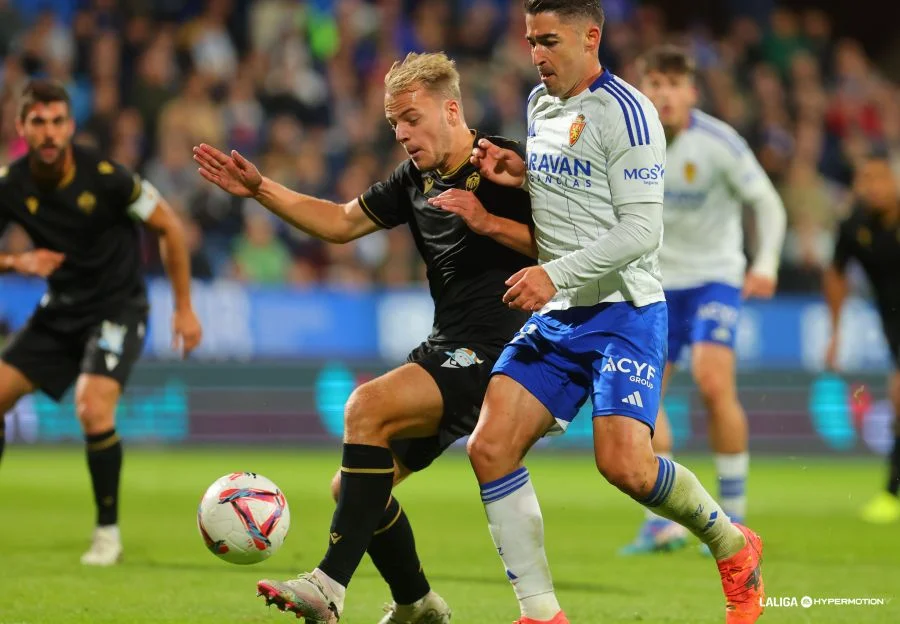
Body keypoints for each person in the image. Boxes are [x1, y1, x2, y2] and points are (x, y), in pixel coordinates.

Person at [193, 52, 536, 623]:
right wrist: (261, 190)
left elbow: (566, 250)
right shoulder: (415, 180)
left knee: (365, 406)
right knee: (349, 488)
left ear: (451, 109)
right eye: (394, 123)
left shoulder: (506, 163)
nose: (402, 133)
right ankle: (418, 604)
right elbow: (340, 222)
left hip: (501, 348)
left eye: (412, 117)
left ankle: (327, 587)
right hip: (449, 342)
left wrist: (489, 221)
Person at [465, 2, 765, 623]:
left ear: (590, 38)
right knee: (489, 446)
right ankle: (540, 613)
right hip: (564, 311)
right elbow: (573, 194)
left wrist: (551, 272)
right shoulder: (540, 105)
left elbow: (639, 231)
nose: (537, 54)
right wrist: (523, 176)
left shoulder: (629, 112)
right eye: (530, 41)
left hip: (624, 311)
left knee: (625, 465)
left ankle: (732, 544)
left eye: (549, 41)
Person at [0, 79, 202, 565]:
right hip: (61, 309)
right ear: (21, 127)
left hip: (118, 307)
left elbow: (168, 225)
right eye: (38, 123)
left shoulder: (109, 176)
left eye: (56, 122)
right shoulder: (11, 184)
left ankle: (107, 533)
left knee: (92, 407)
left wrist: (184, 306)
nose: (48, 133)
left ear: (69, 126)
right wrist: (16, 263)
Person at [620, 44, 787, 555]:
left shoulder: (721, 142)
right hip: (652, 282)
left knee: (715, 385)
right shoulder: (625, 141)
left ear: (691, 92)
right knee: (645, 399)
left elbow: (768, 202)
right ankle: (661, 523)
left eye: (674, 84)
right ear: (642, 89)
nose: (664, 94)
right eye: (655, 83)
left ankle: (734, 516)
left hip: (714, 278)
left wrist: (765, 264)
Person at [825, 151, 900, 524]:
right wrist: (835, 332)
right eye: (864, 179)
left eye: (879, 178)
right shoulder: (854, 227)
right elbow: (835, 273)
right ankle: (891, 493)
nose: (872, 187)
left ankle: (891, 492)